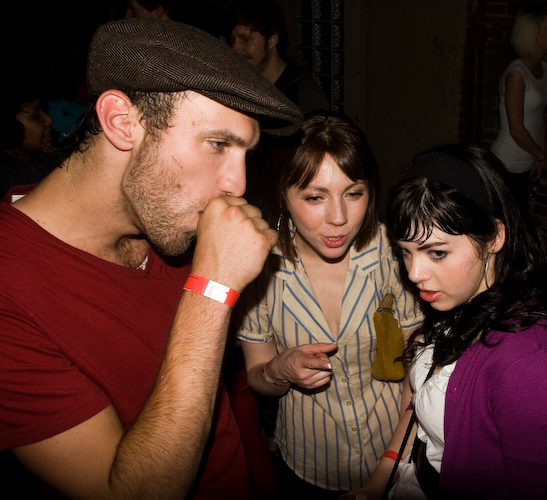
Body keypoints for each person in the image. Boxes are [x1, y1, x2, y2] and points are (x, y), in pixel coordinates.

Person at [0, 17, 302, 500]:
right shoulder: (10, 286)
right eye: (218, 144)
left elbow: (226, 396)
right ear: (122, 122)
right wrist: (212, 288)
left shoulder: (171, 220)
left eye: (244, 153)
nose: (237, 185)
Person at [346, 145, 547, 500]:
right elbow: (422, 405)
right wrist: (380, 480)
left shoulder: (530, 365)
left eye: (437, 252)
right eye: (405, 251)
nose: (414, 273)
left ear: (495, 237)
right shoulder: (457, 300)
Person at [235, 111, 423, 499]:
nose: (339, 218)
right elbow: (257, 375)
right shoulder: (258, 265)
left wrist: (392, 463)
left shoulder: (390, 252)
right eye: (315, 197)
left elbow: (416, 365)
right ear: (283, 197)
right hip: (308, 462)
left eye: (353, 194)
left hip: (391, 450)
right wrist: (279, 370)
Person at [490, 5, 547, 202]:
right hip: (505, 164)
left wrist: (540, 155)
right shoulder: (516, 74)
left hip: (527, 163)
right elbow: (517, 129)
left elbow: (541, 115)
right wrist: (542, 156)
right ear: (533, 32)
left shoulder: (544, 68)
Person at [227, 0, 330, 114]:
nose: (235, 48)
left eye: (245, 40)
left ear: (272, 40)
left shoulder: (307, 98)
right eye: (232, 40)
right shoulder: (236, 86)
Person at [0, 78, 55, 200]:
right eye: (36, 116)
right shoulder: (5, 183)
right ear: (9, 125)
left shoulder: (47, 159)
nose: (48, 120)